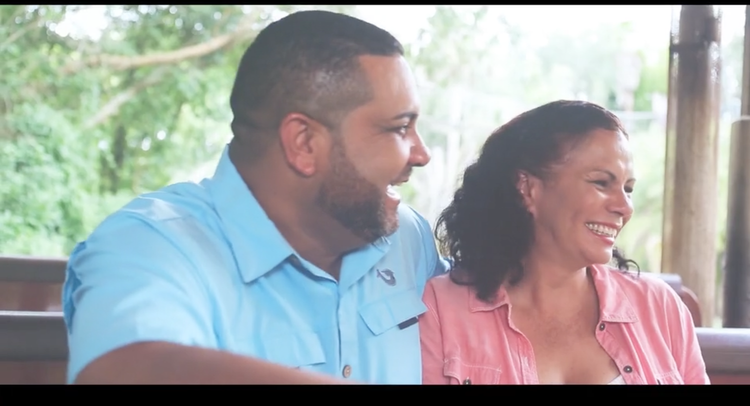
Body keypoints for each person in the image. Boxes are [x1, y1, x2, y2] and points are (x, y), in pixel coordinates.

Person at [62, 9, 448, 384]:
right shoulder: (152, 244)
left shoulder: (408, 238)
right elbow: (121, 370)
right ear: (304, 143)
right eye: (399, 128)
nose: (421, 155)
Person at [419, 100, 710, 385]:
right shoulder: (442, 309)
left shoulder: (659, 307)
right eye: (601, 183)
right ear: (528, 188)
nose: (624, 207)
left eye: (628, 188)